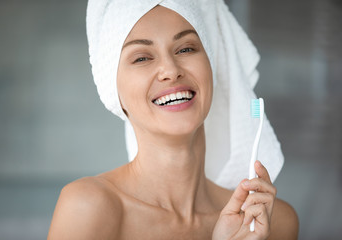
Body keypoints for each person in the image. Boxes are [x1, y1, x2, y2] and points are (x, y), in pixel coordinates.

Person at [48, 1, 299, 239]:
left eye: (186, 48)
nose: (170, 70)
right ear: (113, 90)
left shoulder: (270, 223)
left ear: (211, 67)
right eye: (142, 58)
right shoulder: (88, 208)